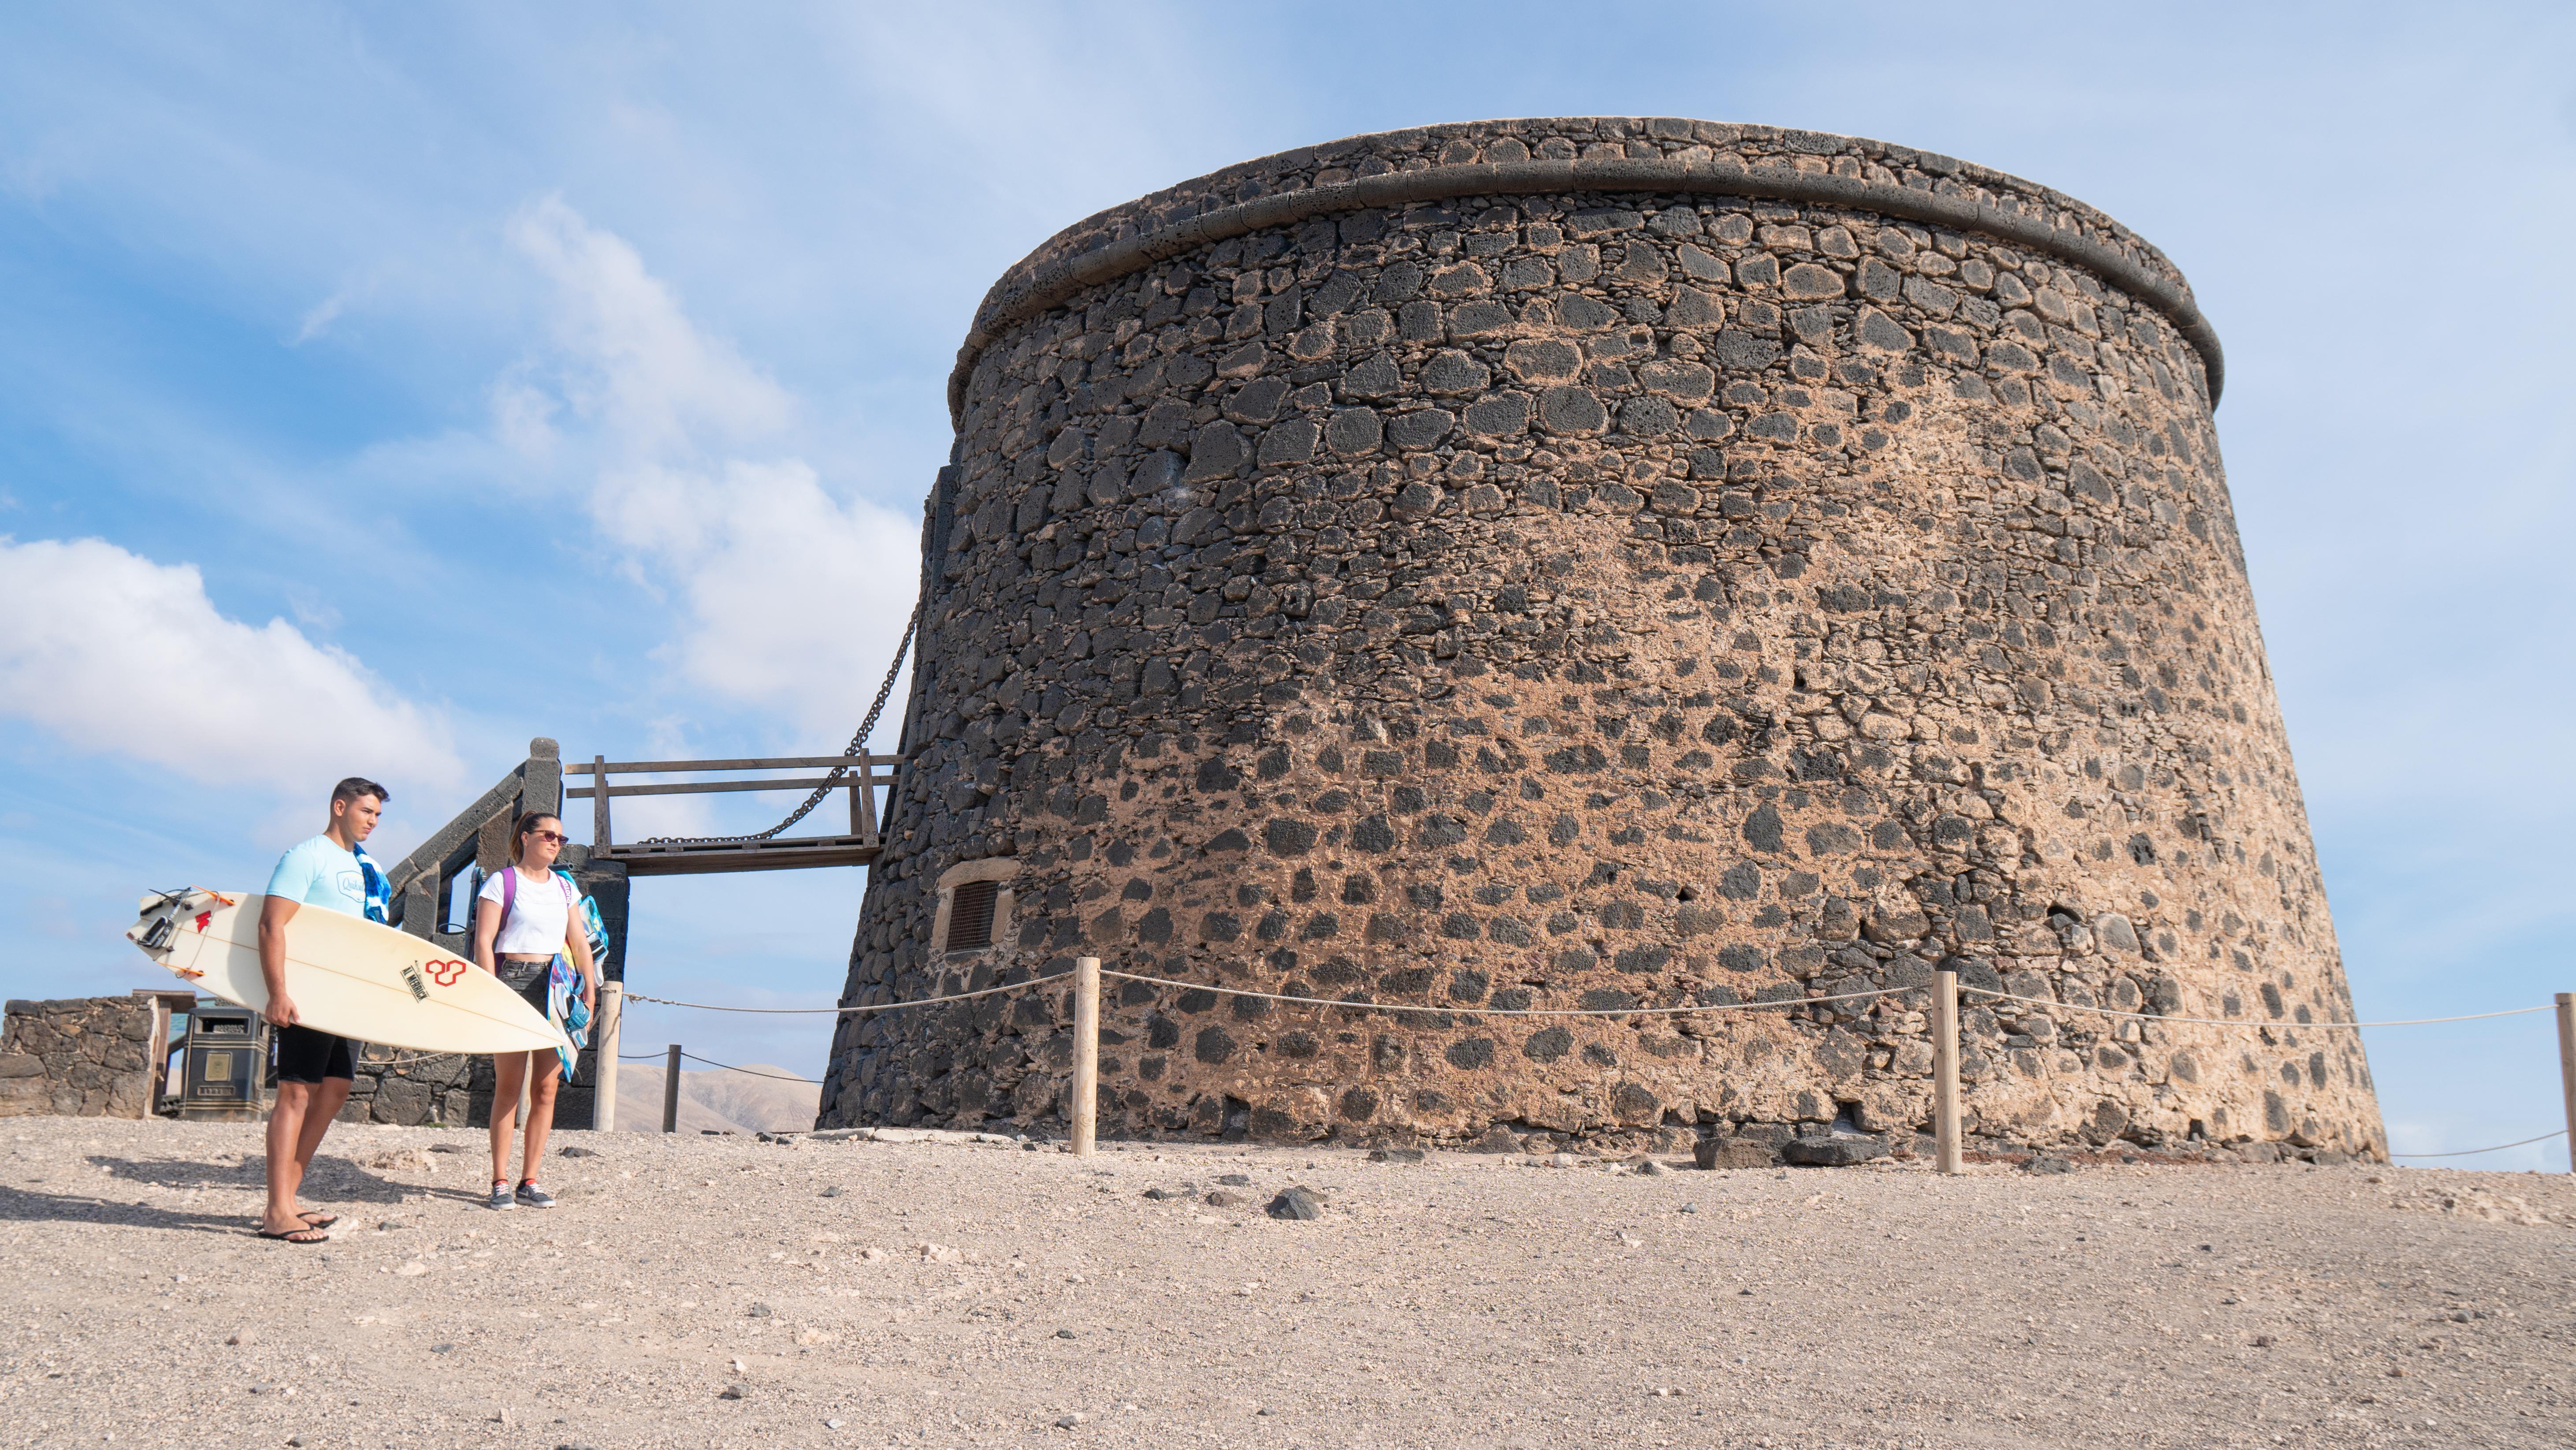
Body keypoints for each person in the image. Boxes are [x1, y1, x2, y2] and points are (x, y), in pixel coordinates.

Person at [254, 776, 394, 1244]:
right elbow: (273, 924)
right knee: (296, 1094)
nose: (372, 821)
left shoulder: (366, 867)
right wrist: (278, 992)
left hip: (345, 997)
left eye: (377, 814)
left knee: (334, 1090)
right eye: (365, 811)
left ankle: (288, 1199)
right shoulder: (306, 856)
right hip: (307, 992)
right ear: (339, 806)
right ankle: (277, 1212)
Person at [472, 810, 598, 1210]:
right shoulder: (501, 883)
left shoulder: (565, 888)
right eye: (548, 835)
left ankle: (531, 1179)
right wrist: (491, 993)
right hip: (513, 981)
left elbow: (579, 943)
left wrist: (591, 991)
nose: (555, 842)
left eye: (560, 838)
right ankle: (499, 1181)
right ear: (525, 837)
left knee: (545, 1089)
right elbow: (484, 941)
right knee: (509, 1087)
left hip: (557, 988)